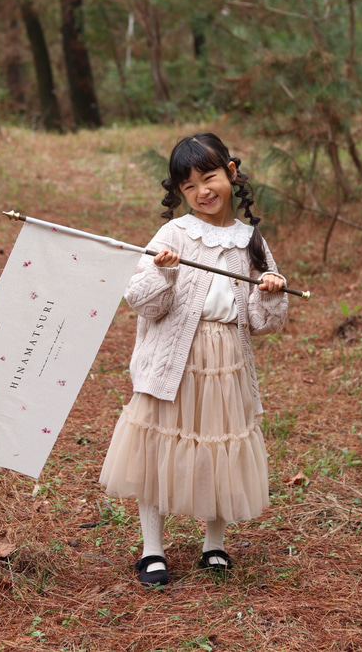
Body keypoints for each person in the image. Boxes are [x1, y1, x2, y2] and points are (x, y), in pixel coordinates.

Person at [99, 132, 288, 587]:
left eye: (210, 177)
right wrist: (164, 269)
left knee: (218, 443)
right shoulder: (173, 234)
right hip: (172, 360)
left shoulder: (251, 242)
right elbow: (143, 302)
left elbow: (264, 323)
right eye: (189, 186)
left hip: (226, 360)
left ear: (231, 174)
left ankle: (214, 543)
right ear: (179, 192)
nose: (203, 191)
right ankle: (152, 550)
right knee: (158, 445)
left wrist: (271, 291)